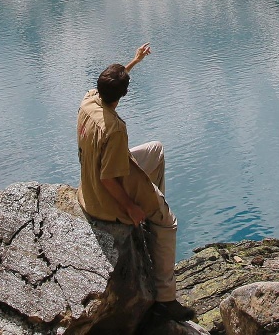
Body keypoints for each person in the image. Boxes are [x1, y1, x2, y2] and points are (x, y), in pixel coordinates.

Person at [76, 43, 195, 324]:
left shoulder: (89, 101)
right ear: (123, 95)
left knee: (156, 149)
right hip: (104, 198)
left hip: (88, 183)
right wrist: (130, 208)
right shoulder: (115, 130)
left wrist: (134, 62)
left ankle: (152, 209)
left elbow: (111, 86)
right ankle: (165, 299)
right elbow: (108, 178)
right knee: (169, 223)